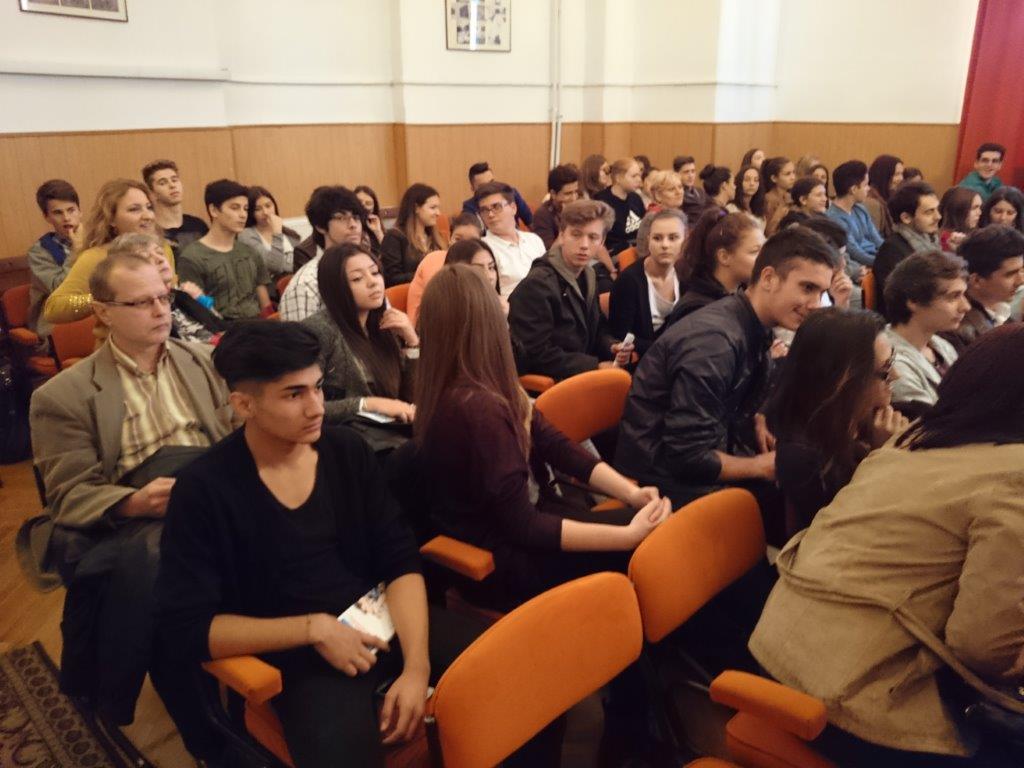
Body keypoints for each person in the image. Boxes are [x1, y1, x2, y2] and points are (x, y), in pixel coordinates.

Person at [156, 320, 489, 768]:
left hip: (383, 617)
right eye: (294, 395)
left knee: (517, 677)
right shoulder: (204, 490)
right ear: (244, 404)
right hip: (300, 657)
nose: (316, 407)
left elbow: (399, 558)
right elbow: (188, 628)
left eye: (317, 388)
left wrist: (417, 668)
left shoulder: (345, 451)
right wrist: (314, 628)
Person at [750, 324, 1024, 768]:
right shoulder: (1011, 476)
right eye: (882, 372)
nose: (892, 381)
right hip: (846, 697)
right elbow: (983, 649)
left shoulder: (912, 439)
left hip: (783, 649)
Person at [22, 251, 233, 754]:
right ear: (103, 312)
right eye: (141, 303)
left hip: (212, 501)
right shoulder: (64, 395)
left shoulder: (202, 361)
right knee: (163, 575)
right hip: (138, 518)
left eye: (164, 297)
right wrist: (134, 502)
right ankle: (208, 734)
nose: (161, 311)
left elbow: (233, 440)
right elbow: (69, 493)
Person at [414, 264, 670, 609]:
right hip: (504, 559)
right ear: (486, 325)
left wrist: (631, 493)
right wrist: (625, 537)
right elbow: (523, 525)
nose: (506, 313)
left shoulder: (487, 385)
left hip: (531, 524)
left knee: (655, 534)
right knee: (648, 550)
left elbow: (556, 446)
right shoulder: (475, 409)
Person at [615, 227, 837, 542]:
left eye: (821, 292)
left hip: (698, 454)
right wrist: (760, 466)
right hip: (661, 479)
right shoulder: (715, 342)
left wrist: (758, 413)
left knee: (810, 470)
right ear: (769, 278)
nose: (816, 304)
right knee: (803, 488)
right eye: (807, 288)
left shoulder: (753, 322)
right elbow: (688, 456)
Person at [767, 308, 905, 534]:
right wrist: (883, 457)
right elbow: (848, 531)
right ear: (843, 381)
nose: (896, 376)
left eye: (892, 363)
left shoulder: (870, 419)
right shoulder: (802, 458)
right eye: (885, 370)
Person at [508, 200, 633, 380]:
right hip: (553, 383)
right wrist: (594, 367)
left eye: (593, 237)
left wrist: (611, 346)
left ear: (602, 241)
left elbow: (597, 327)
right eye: (576, 235)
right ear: (562, 235)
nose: (584, 245)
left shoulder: (589, 274)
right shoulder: (537, 285)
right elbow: (534, 353)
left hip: (580, 373)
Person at [302, 243, 417, 423]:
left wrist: (412, 342)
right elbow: (305, 408)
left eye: (375, 272)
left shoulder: (385, 324)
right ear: (336, 287)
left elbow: (413, 396)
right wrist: (366, 404)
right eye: (357, 278)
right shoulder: (318, 330)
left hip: (391, 428)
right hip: (348, 434)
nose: (373, 282)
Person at [43, 179, 174, 327]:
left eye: (149, 207)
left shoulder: (162, 249)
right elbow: (53, 308)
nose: (148, 216)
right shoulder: (96, 257)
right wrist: (103, 298)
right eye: (134, 209)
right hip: (120, 339)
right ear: (111, 219)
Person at [883, 251, 967, 417]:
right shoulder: (893, 363)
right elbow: (932, 422)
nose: (965, 306)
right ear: (914, 301)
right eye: (953, 297)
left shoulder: (941, 345)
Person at [177, 179, 272, 321]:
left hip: (259, 325)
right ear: (214, 210)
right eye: (235, 208)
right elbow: (195, 311)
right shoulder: (192, 257)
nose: (243, 215)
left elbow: (265, 306)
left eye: (245, 209)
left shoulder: (249, 251)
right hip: (220, 328)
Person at [108, 233, 226, 345]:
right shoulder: (136, 309)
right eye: (146, 257)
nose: (160, 259)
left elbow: (222, 327)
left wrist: (203, 301)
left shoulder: (181, 295)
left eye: (160, 252)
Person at [280, 186, 370, 322]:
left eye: (356, 217)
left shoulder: (368, 270)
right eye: (341, 218)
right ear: (320, 226)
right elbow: (300, 335)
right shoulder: (306, 285)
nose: (353, 225)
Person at [608, 209, 686, 358]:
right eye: (657, 238)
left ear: (685, 240)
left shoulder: (687, 275)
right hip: (644, 358)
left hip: (680, 355)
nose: (665, 245)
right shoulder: (628, 281)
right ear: (648, 240)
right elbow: (620, 334)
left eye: (673, 238)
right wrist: (669, 350)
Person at [667, 209, 765, 323]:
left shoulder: (742, 296)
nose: (764, 258)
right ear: (724, 257)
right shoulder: (697, 309)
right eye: (755, 252)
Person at [940, 225, 1024, 353]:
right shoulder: (957, 330)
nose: (1021, 281)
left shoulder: (1001, 310)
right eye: (1010, 274)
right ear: (976, 280)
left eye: (1021, 270)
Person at [873, 181, 942, 317]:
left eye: (937, 209)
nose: (938, 216)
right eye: (929, 212)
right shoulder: (892, 250)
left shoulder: (930, 240)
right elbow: (902, 301)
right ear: (906, 218)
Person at [406, 212, 484, 326]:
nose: (463, 246)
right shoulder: (434, 259)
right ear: (449, 239)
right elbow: (444, 303)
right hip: (427, 326)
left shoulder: (481, 262)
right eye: (458, 239)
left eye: (472, 241)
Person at [26, 179, 80, 336]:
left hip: (93, 311)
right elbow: (61, 290)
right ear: (47, 217)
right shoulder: (39, 253)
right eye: (58, 213)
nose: (66, 218)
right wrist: (76, 252)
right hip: (56, 323)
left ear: (80, 211)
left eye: (71, 210)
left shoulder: (96, 241)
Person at [478, 181, 548, 297]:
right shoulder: (483, 248)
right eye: (485, 210)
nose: (490, 214)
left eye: (496, 207)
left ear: (513, 208)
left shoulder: (534, 240)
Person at [381, 183, 447, 287]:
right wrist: (426, 274)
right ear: (416, 208)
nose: (438, 213)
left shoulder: (436, 237)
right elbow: (392, 279)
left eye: (438, 208)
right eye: (433, 208)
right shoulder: (394, 237)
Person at [826, 160, 883, 270]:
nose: (869, 188)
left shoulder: (860, 209)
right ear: (853, 189)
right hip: (863, 267)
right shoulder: (834, 219)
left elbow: (877, 240)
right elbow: (855, 253)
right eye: (865, 185)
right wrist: (884, 262)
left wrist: (890, 254)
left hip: (876, 259)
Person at [141, 159, 208, 252]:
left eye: (174, 180)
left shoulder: (198, 225)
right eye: (162, 183)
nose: (172, 185)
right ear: (152, 193)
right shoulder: (150, 231)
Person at [238, 185, 301, 278]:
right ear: (251, 213)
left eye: (268, 206)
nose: (265, 212)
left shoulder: (289, 233)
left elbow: (302, 261)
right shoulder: (246, 235)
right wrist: (277, 233)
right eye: (258, 209)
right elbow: (274, 266)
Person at [594, 158, 647, 257]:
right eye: (634, 176)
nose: (639, 180)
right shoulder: (601, 200)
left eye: (640, 176)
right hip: (613, 254)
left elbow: (644, 227)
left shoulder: (636, 198)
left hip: (637, 251)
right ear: (618, 178)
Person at [460, 161, 533, 226]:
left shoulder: (511, 194)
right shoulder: (469, 207)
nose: (489, 188)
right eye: (483, 186)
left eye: (491, 182)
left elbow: (530, 222)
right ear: (473, 189)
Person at [532, 164, 581, 249]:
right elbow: (549, 252)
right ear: (553, 194)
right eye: (568, 193)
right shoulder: (542, 215)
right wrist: (567, 219)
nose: (574, 198)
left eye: (576, 192)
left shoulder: (580, 209)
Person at [864, 155, 904, 237]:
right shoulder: (871, 202)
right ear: (884, 175)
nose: (901, 178)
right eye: (897, 174)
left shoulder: (890, 197)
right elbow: (872, 237)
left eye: (902, 174)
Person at [756, 156, 796, 230]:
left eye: (793, 172)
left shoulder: (790, 197)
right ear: (774, 178)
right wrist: (780, 212)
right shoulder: (768, 199)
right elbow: (767, 231)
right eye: (787, 174)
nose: (793, 177)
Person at [938, 186, 982, 252]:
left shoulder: (975, 234)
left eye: (980, 207)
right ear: (958, 210)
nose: (979, 213)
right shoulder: (945, 240)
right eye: (974, 208)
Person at [673, 155, 707, 226]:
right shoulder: (675, 194)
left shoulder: (700, 191)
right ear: (677, 174)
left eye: (693, 171)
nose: (691, 175)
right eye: (686, 172)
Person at [730, 164, 765, 230]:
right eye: (747, 180)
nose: (752, 184)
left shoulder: (759, 207)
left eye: (756, 180)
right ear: (739, 182)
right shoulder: (732, 208)